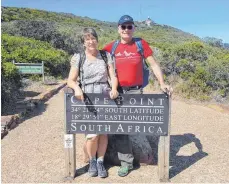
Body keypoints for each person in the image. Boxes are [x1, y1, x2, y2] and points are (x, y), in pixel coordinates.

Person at [103, 15, 173, 177]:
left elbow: (153, 64)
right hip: (117, 91)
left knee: (132, 124)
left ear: (134, 28)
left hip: (135, 91)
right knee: (120, 127)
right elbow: (96, 58)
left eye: (129, 26)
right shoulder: (111, 48)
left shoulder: (140, 44)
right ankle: (126, 163)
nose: (126, 30)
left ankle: (140, 152)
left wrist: (162, 83)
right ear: (118, 29)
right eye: (123, 27)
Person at [67, 28, 119, 178]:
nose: (91, 41)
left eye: (93, 38)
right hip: (88, 98)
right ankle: (92, 160)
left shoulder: (106, 55)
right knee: (92, 135)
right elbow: (70, 79)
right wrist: (76, 88)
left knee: (103, 132)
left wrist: (114, 88)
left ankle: (101, 161)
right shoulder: (79, 57)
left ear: (97, 39)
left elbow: (113, 75)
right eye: (87, 39)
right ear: (83, 43)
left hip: (104, 95)